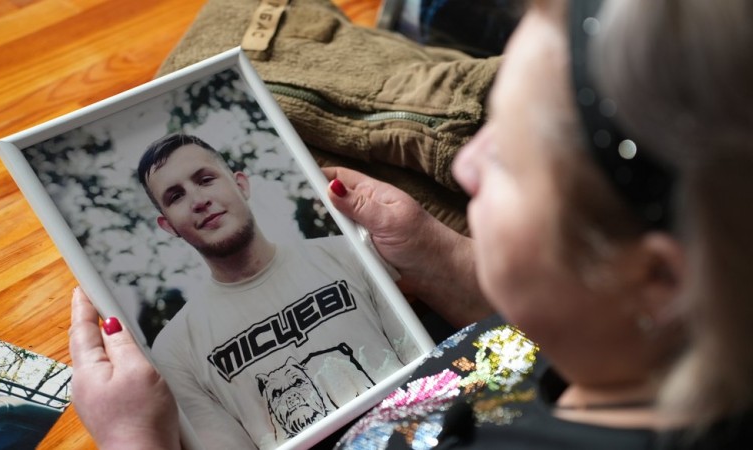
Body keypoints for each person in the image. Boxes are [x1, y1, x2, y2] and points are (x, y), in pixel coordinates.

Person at [68, 0, 753, 448]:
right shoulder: (625, 353)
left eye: (508, 157)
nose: (466, 164)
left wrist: (134, 440)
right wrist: (440, 257)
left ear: (656, 281)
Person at [129, 133, 423, 449]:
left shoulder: (350, 254)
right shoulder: (175, 350)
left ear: (241, 185)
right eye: (176, 196)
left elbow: (425, 370)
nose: (198, 200)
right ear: (168, 226)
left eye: (205, 180)